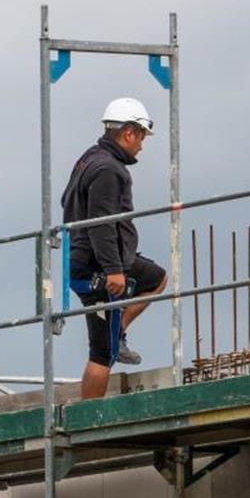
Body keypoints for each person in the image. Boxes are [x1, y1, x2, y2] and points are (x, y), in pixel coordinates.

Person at [61, 98, 168, 399]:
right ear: (130, 132)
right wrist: (114, 271)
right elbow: (102, 223)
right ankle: (88, 420)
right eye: (142, 137)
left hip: (90, 258)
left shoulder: (89, 159)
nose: (142, 146)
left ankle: (118, 330)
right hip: (97, 267)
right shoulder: (109, 169)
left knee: (156, 278)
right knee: (102, 353)